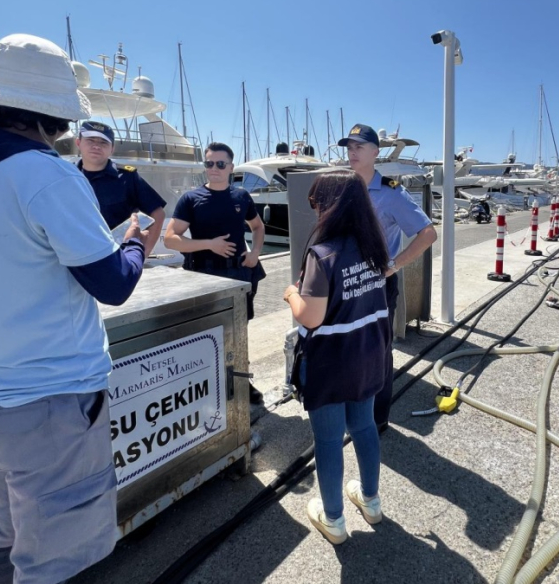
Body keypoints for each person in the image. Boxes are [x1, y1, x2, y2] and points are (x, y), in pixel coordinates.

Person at [0, 34, 148, 584]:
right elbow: (112, 283)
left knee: (0, 540)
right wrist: (135, 244)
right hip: (49, 402)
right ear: (57, 117)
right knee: (58, 562)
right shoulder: (45, 174)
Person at [283, 169, 390, 544]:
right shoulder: (374, 248)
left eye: (316, 202)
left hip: (331, 361)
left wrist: (291, 294)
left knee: (328, 440)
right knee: (364, 425)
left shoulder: (323, 254)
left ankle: (334, 520)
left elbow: (310, 316)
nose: (314, 209)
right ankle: (371, 502)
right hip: (369, 353)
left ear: (330, 206)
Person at [338, 124, 437, 428]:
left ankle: (377, 420)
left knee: (378, 353)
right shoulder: (343, 186)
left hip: (377, 285)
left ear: (375, 152)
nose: (352, 153)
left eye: (359, 147)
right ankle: (353, 410)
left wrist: (393, 265)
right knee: (348, 348)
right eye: (349, 147)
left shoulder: (392, 193)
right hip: (347, 283)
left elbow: (427, 233)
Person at [165, 142, 266, 403]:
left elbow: (257, 227)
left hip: (239, 275)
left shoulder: (241, 196)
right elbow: (171, 239)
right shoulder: (191, 199)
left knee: (239, 331)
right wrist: (209, 244)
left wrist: (255, 253)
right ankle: (208, 384)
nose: (214, 168)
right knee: (206, 332)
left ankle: (242, 383)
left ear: (231, 167)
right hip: (204, 277)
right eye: (209, 163)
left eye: (221, 164)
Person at [76, 120, 166, 255]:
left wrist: (143, 254)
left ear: (112, 149)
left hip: (116, 258)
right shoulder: (66, 177)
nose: (96, 146)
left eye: (103, 142)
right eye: (90, 140)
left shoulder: (127, 177)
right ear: (78, 143)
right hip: (75, 257)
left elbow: (158, 214)